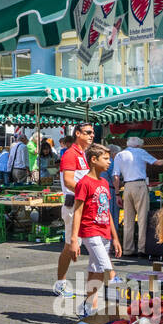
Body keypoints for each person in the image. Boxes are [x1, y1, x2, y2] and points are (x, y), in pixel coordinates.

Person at [70, 144, 123, 315]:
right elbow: (77, 211)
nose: (109, 162)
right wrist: (73, 239)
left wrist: (115, 237)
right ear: (94, 160)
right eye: (106, 159)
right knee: (106, 266)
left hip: (104, 232)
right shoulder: (84, 183)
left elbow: (106, 211)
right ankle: (115, 278)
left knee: (96, 272)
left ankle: (86, 306)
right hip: (90, 230)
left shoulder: (105, 183)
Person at [112, 136, 163, 256]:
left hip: (127, 187)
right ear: (138, 145)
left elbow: (116, 176)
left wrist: (117, 193)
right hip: (140, 185)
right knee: (142, 218)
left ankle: (128, 249)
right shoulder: (141, 152)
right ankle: (141, 249)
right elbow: (158, 163)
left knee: (128, 219)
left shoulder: (120, 155)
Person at [53, 124, 93, 297]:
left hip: (83, 204)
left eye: (92, 132)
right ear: (78, 134)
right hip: (73, 205)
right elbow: (69, 181)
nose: (92, 135)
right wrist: (89, 191)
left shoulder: (82, 154)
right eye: (88, 133)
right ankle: (60, 283)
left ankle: (100, 284)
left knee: (92, 244)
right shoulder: (71, 154)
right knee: (70, 246)